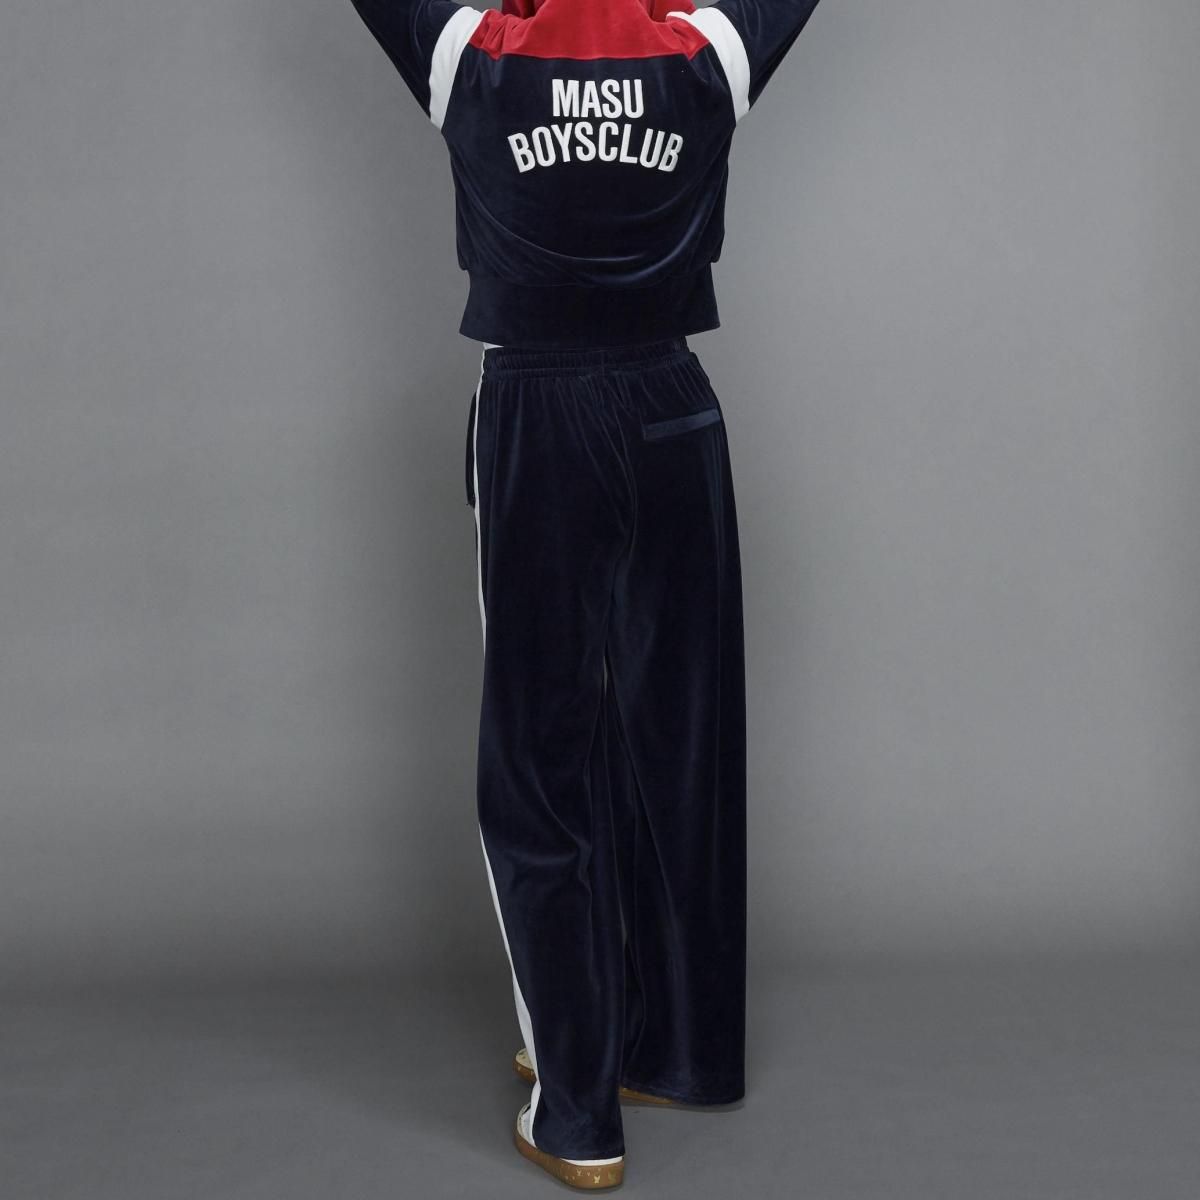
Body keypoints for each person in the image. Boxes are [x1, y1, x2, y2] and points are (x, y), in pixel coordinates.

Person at [345, 0, 824, 1188]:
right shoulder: (705, 51)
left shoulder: (473, 56)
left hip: (541, 411)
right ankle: (682, 1050)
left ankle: (577, 1112)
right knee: (683, 737)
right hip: (677, 408)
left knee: (538, 761)